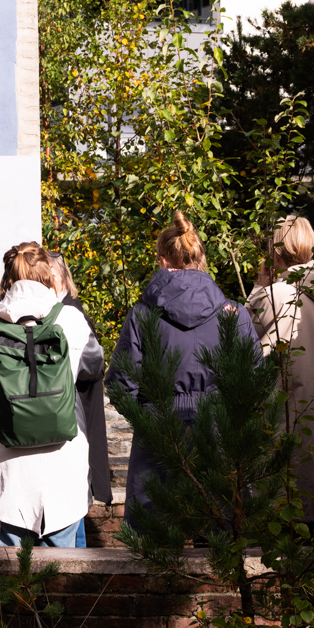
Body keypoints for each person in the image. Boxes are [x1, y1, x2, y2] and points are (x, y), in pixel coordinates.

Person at [0, 242, 103, 547]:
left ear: (8, 280)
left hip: (7, 471)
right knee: (65, 578)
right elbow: (93, 367)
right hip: (63, 467)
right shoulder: (72, 321)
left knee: (13, 579)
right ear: (48, 277)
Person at [111, 212, 255, 515]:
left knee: (154, 543)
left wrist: (146, 415)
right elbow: (254, 378)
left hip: (160, 426)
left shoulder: (142, 314)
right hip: (219, 429)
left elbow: (121, 382)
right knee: (225, 539)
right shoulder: (234, 313)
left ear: (163, 261)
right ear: (201, 259)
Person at [245, 216, 314, 519]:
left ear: (275, 250)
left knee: (286, 506)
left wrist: (259, 287)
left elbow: (247, 349)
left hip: (285, 411)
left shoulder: (274, 295)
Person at [47, 252, 113, 515]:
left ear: (61, 277)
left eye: (49, 275)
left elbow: (95, 364)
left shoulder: (71, 311)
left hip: (77, 407)